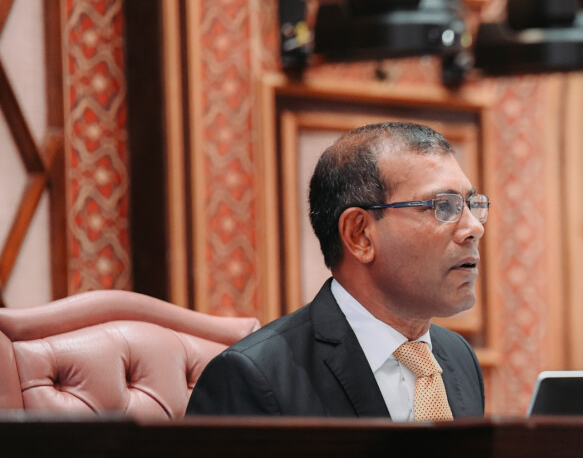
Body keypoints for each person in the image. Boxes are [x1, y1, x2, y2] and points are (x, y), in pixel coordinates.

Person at [186, 122, 486, 419]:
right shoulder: (252, 377)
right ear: (360, 235)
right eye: (443, 206)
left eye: (472, 204)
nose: (474, 227)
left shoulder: (458, 356)